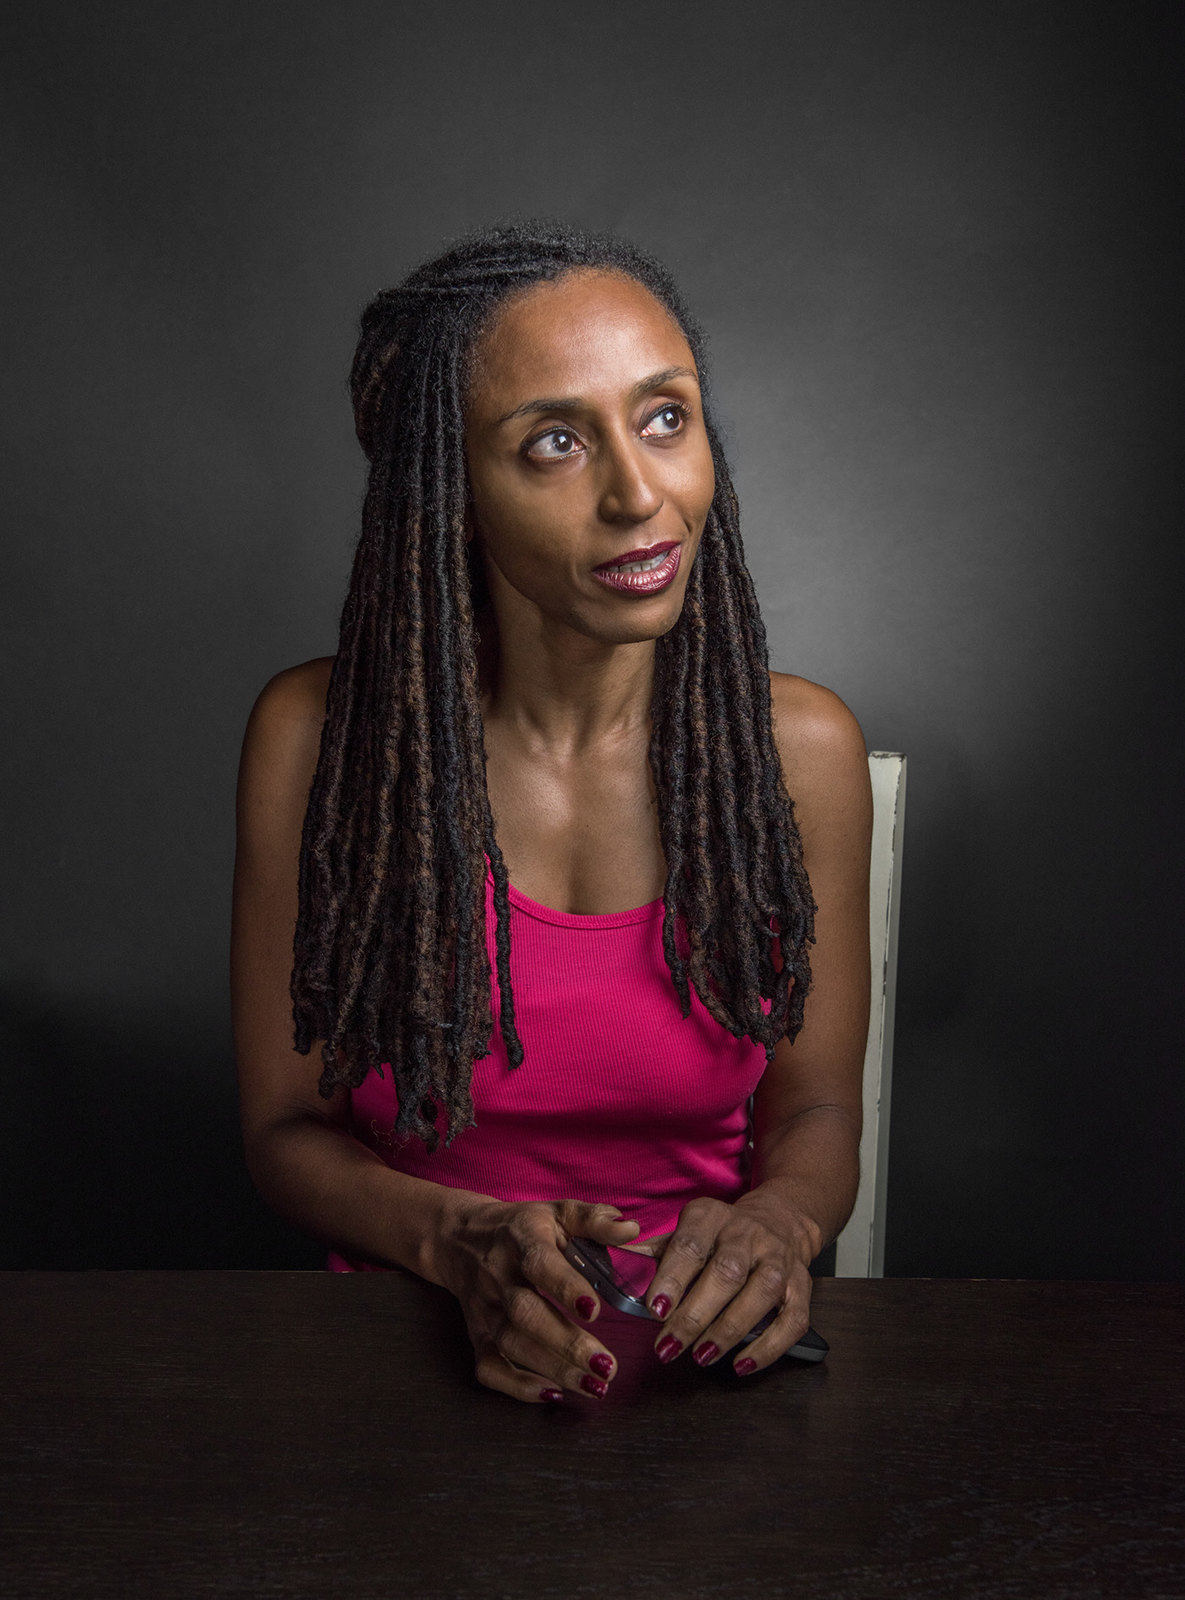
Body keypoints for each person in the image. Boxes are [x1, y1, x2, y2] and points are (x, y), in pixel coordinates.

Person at [231, 221, 872, 1405]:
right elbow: (283, 1126)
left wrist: (777, 1223)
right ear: (450, 494)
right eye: (556, 443)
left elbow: (820, 1104)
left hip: (696, 1368)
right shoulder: (321, 743)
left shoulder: (799, 754)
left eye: (666, 417)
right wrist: (454, 1241)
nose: (640, 493)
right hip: (393, 1358)